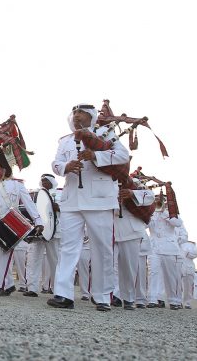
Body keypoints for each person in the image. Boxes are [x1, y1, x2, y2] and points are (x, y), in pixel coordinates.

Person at [47, 103, 130, 311]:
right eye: (74, 113)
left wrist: (96, 156)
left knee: (102, 249)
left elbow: (123, 156)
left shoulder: (104, 134)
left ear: (91, 116)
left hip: (100, 199)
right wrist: (66, 167)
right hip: (72, 199)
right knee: (67, 248)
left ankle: (102, 296)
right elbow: (56, 164)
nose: (77, 116)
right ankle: (63, 294)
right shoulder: (65, 141)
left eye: (81, 113)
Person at [0, 177, 42, 297]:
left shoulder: (18, 185)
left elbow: (28, 203)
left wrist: (38, 221)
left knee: (5, 255)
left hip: (11, 221)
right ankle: (9, 285)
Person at [111, 180, 155, 310]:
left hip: (131, 230)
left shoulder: (132, 182)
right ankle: (113, 295)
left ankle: (129, 298)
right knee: (109, 265)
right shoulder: (105, 179)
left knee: (129, 267)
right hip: (111, 228)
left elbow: (150, 196)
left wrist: (132, 193)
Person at [24, 175, 60, 298]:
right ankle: (32, 288)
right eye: (42, 180)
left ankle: (58, 290)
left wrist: (59, 208)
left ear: (52, 182)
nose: (44, 182)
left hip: (54, 232)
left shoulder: (60, 194)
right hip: (39, 231)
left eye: (46, 181)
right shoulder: (37, 195)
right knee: (34, 259)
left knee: (55, 261)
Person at [149, 194, 185, 309]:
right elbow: (146, 225)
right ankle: (152, 299)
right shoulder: (152, 213)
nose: (158, 203)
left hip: (169, 248)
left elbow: (177, 223)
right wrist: (150, 213)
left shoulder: (172, 214)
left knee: (170, 275)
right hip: (154, 247)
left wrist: (165, 212)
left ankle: (174, 300)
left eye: (160, 201)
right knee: (153, 272)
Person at [179, 233, 197, 309]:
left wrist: (187, 254)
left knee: (188, 286)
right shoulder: (176, 242)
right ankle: (178, 301)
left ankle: (187, 303)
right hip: (178, 265)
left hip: (189, 266)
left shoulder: (191, 245)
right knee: (178, 285)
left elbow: (196, 253)